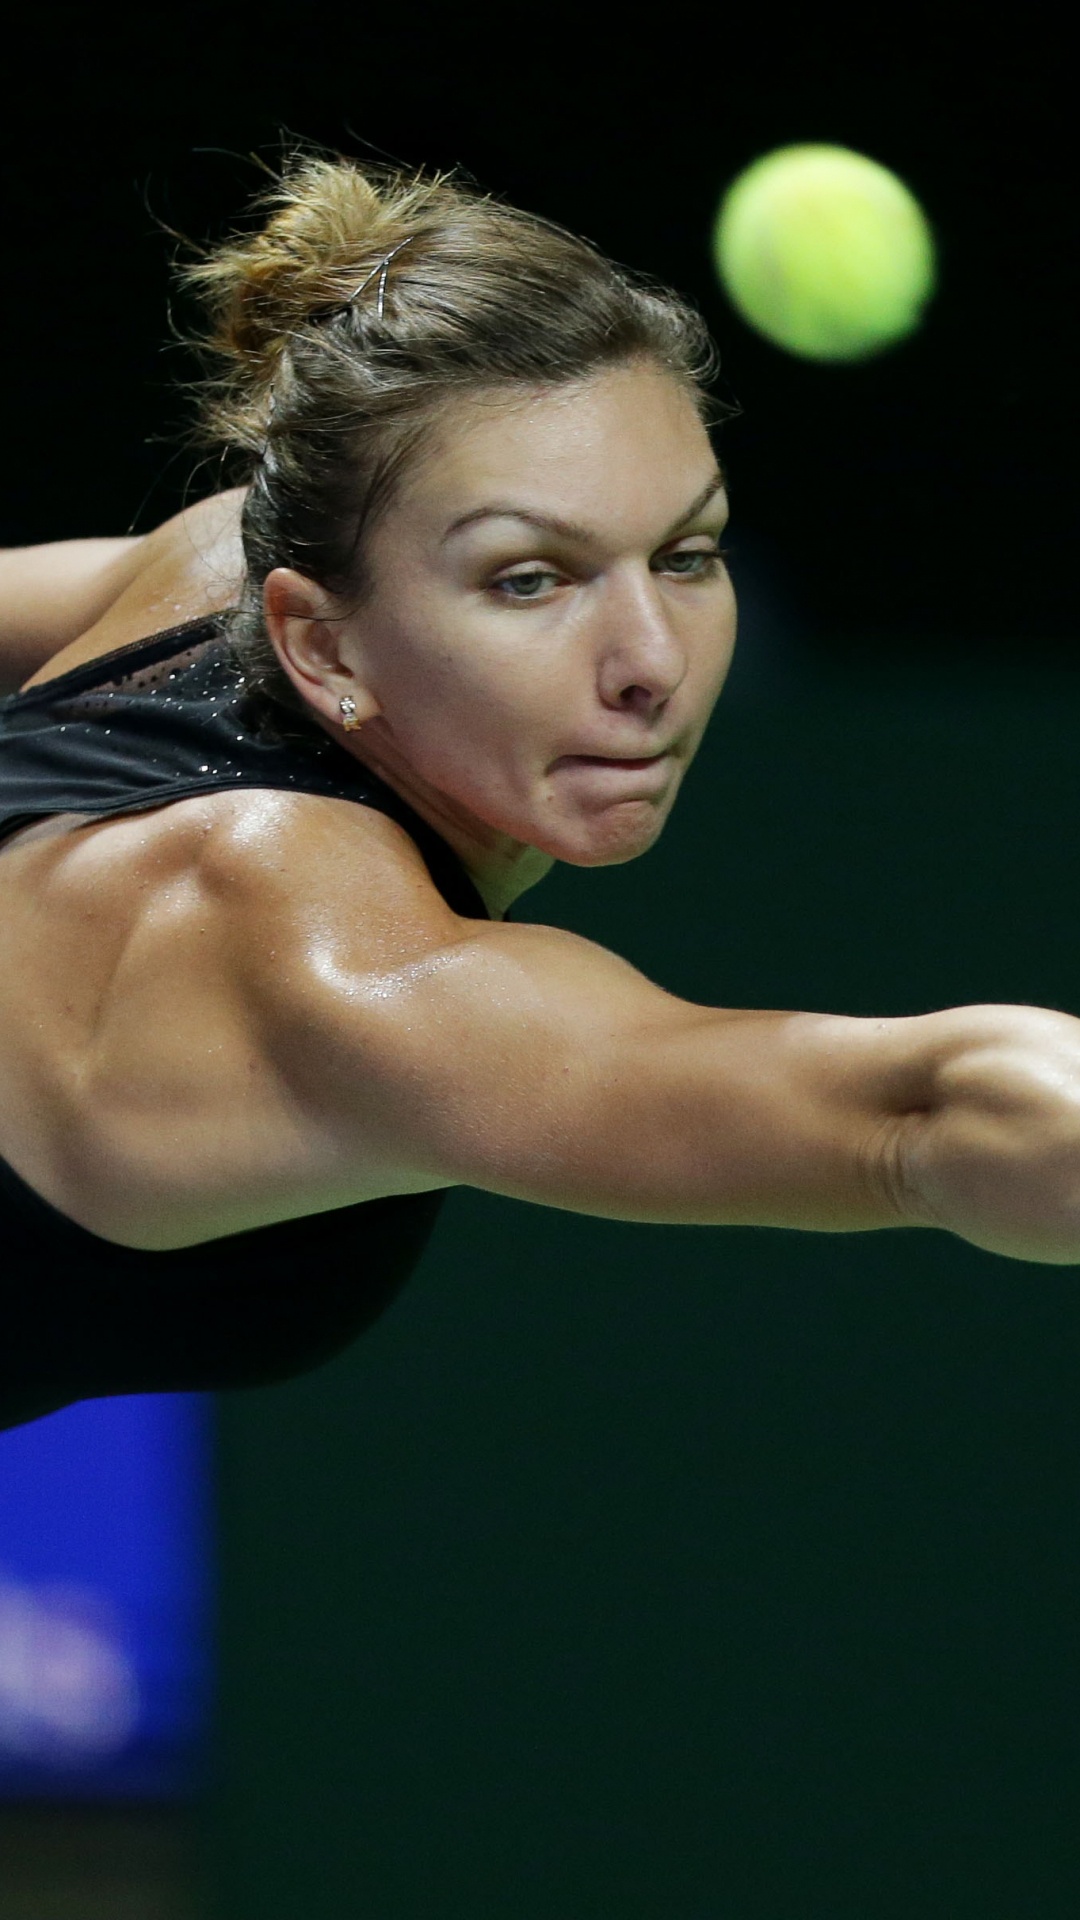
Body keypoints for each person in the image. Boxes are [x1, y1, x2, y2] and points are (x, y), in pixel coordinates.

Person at [1, 152, 1078, 1437]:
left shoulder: (222, 560)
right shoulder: (357, 991)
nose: (652, 665)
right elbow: (921, 1114)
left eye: (685, 556)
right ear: (322, 644)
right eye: (530, 580)